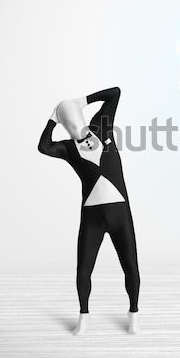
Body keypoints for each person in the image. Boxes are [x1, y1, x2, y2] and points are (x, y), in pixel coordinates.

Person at [38, 87, 140, 335]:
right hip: (91, 218)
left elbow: (115, 93)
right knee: (84, 269)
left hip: (120, 215)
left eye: (74, 116)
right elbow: (43, 147)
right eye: (66, 121)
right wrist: (52, 118)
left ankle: (133, 313)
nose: (73, 124)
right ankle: (84, 315)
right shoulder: (67, 149)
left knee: (131, 266)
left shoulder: (102, 126)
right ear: (63, 124)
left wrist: (81, 101)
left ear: (82, 115)